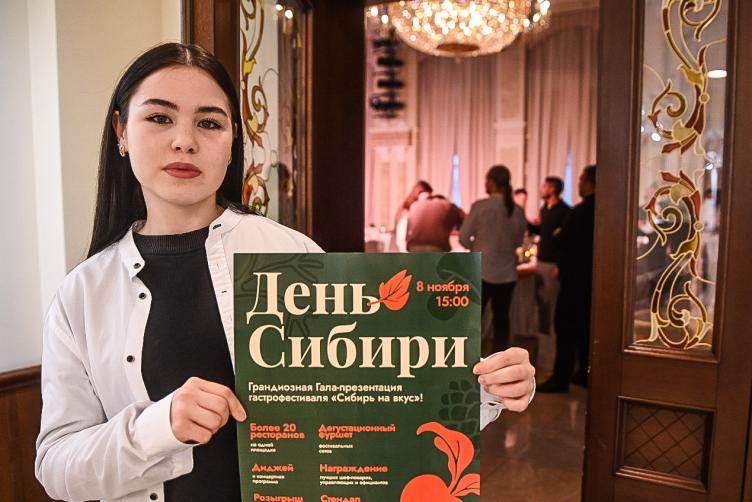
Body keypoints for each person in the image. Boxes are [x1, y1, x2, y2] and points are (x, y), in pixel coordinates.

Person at [34, 43, 535, 502]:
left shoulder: (290, 255)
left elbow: (370, 405)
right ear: (121, 131)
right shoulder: (83, 294)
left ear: (234, 139)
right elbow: (55, 468)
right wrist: (157, 426)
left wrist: (486, 391)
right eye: (160, 118)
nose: (184, 141)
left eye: (209, 123)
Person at [539, 165, 597, 392]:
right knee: (585, 327)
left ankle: (560, 377)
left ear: (590, 183)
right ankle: (583, 372)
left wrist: (558, 236)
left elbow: (562, 240)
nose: (579, 183)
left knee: (565, 327)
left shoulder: (579, 211)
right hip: (592, 277)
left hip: (574, 277)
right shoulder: (602, 209)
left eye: (582, 179)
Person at [460, 165, 527, 355]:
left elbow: (463, 237)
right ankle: (500, 361)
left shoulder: (480, 206)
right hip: (507, 273)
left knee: (474, 320)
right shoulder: (517, 211)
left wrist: (476, 248)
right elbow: (518, 241)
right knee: (502, 321)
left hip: (482, 270)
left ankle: (469, 357)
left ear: (491, 182)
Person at [528, 176, 570, 337]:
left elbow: (565, 241)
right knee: (540, 301)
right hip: (541, 260)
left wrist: (559, 265)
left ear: (552, 189)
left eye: (544, 186)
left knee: (551, 303)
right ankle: (541, 337)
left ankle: (551, 339)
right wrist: (529, 225)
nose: (541, 189)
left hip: (553, 263)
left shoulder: (565, 211)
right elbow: (544, 232)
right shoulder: (544, 209)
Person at [394, 180, 433, 252]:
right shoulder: (406, 211)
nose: (428, 201)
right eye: (427, 198)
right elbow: (402, 240)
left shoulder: (418, 209)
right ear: (418, 194)